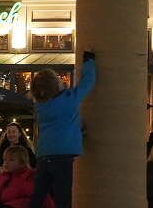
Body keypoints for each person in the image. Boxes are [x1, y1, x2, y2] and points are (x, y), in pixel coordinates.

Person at [29, 49, 96, 208]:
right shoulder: (69, 99)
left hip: (44, 155)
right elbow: (88, 82)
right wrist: (89, 62)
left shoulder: (40, 106)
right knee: (63, 197)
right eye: (58, 79)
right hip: (63, 156)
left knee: (37, 196)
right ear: (55, 85)